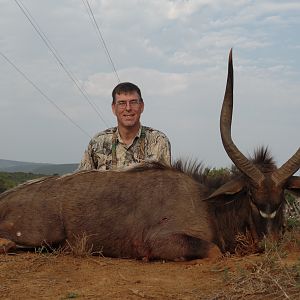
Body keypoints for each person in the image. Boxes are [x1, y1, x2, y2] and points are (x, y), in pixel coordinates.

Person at [78, 82, 171, 171]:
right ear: (114, 108)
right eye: (122, 103)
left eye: (133, 102)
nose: (128, 108)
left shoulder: (158, 141)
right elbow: (81, 181)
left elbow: (166, 182)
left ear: (141, 106)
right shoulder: (98, 142)